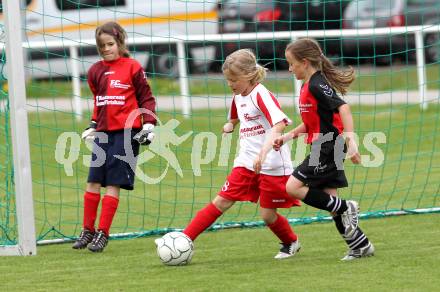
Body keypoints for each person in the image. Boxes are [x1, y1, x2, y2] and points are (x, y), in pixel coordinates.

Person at [178, 49, 302, 259]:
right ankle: (183, 239)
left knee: (268, 215)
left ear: (248, 75)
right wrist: (229, 125)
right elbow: (235, 116)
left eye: (233, 79)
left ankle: (292, 241)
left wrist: (263, 153)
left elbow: (279, 123)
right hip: (245, 162)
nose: (230, 84)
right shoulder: (238, 96)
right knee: (221, 201)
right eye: (228, 80)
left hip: (271, 163)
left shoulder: (261, 94)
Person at [273, 38, 374, 261]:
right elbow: (311, 122)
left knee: (292, 186)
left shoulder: (318, 85)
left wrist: (351, 141)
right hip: (325, 145)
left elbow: (344, 108)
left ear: (305, 62)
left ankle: (348, 207)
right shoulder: (307, 86)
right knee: (330, 201)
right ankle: (360, 245)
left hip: (329, 146)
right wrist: (288, 136)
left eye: (292, 64)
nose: (289, 69)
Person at [72, 21, 156, 252]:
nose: (106, 49)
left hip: (127, 133)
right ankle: (87, 230)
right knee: (93, 180)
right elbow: (99, 103)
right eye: (102, 46)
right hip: (103, 133)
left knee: (114, 183)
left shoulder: (132, 67)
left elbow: (146, 98)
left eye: (110, 44)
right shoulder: (95, 71)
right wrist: (92, 124)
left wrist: (149, 125)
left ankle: (103, 233)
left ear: (119, 43)